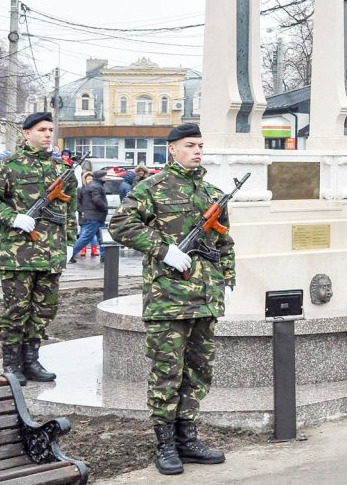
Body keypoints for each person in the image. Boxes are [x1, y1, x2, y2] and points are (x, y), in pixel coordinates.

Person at [108, 122, 233, 475]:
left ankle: (187, 438)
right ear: (172, 149)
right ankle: (165, 444)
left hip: (205, 298)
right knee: (167, 373)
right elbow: (121, 224)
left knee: (198, 371)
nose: (197, 151)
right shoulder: (152, 187)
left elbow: (224, 243)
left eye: (200, 145)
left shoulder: (212, 192)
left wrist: (227, 279)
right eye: (190, 145)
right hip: (168, 299)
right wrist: (162, 250)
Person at [0, 112, 78, 385]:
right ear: (26, 133)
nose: (47, 134)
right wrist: (12, 217)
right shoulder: (7, 166)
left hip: (51, 254)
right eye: (41, 129)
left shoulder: (60, 170)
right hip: (16, 256)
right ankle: (11, 364)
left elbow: (70, 209)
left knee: (44, 310)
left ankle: (31, 360)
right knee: (16, 310)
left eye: (50, 129)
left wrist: (69, 242)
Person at [70, 171, 109, 264]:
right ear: (101, 177)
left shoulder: (93, 185)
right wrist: (105, 208)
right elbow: (97, 200)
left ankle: (104, 256)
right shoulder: (95, 186)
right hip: (94, 217)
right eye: (104, 177)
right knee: (86, 238)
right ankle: (70, 255)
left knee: (102, 237)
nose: (106, 178)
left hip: (96, 217)